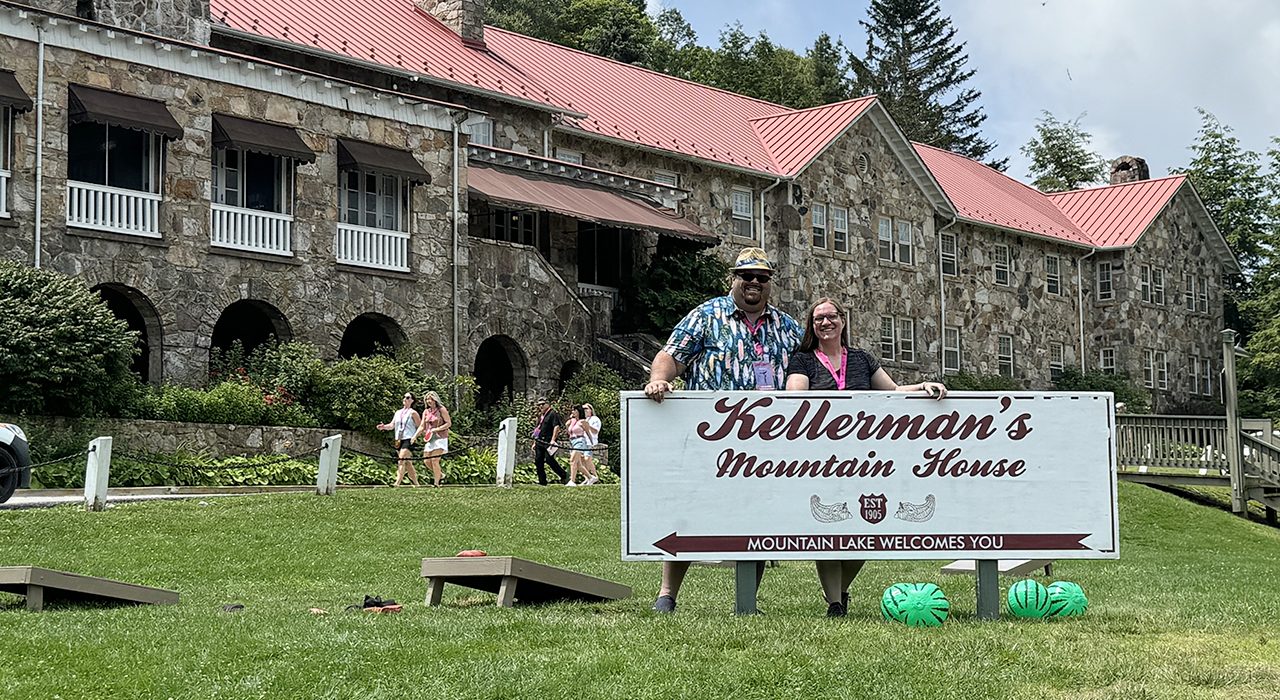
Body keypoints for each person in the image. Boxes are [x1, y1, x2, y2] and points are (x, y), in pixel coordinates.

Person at [644, 247, 804, 614]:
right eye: (746, 276)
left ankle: (748, 600)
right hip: (709, 438)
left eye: (761, 278)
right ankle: (667, 595)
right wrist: (658, 380)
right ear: (734, 279)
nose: (753, 283)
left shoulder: (787, 326)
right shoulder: (707, 315)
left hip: (766, 440)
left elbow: (809, 367)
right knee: (688, 511)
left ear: (769, 284)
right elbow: (671, 355)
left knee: (758, 516)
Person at [784, 297, 948, 617]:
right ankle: (834, 603)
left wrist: (923, 386)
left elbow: (893, 391)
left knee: (864, 530)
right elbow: (795, 393)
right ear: (812, 327)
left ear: (843, 321)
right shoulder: (803, 359)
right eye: (819, 319)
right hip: (823, 457)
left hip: (864, 458)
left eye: (831, 317)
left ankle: (843, 591)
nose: (826, 322)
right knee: (829, 527)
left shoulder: (861, 359)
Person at [376, 391, 422, 487]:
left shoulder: (413, 413)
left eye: (408, 397)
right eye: (404, 397)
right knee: (408, 462)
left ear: (412, 400)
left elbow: (420, 427)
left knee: (401, 459)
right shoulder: (398, 412)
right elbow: (392, 425)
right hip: (398, 439)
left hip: (409, 439)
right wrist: (384, 427)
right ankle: (417, 484)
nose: (405, 399)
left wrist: (417, 437)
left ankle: (397, 483)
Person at [418, 391, 452, 488]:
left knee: (434, 460)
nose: (429, 401)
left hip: (440, 437)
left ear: (435, 400)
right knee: (426, 461)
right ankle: (440, 474)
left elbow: (448, 423)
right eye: (428, 399)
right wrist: (415, 436)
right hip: (430, 438)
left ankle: (436, 483)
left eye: (431, 399)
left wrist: (437, 429)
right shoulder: (426, 412)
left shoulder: (441, 409)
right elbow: (421, 426)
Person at [530, 397, 568, 486]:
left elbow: (556, 427)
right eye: (539, 405)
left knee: (549, 460)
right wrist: (535, 442)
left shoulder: (552, 414)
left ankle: (563, 475)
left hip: (548, 441)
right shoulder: (540, 415)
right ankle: (542, 481)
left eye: (543, 404)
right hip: (539, 441)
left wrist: (553, 440)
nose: (541, 406)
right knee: (538, 460)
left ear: (548, 404)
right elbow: (537, 429)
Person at [565, 405, 592, 486]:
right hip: (573, 441)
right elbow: (569, 432)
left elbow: (588, 433)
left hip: (580, 441)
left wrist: (591, 444)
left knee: (572, 460)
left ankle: (572, 481)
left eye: (574, 410)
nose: (572, 412)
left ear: (578, 411)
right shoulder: (572, 421)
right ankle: (590, 477)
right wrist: (568, 424)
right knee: (579, 465)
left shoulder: (583, 421)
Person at [581, 402, 602, 484]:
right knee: (582, 460)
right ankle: (587, 477)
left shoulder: (595, 419)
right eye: (583, 409)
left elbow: (596, 431)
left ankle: (595, 476)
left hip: (590, 442)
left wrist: (588, 425)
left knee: (587, 459)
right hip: (582, 441)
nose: (585, 410)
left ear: (591, 410)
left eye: (586, 408)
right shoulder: (583, 419)